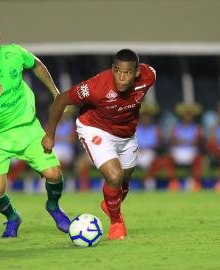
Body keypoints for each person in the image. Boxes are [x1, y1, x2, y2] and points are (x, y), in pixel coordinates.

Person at [0, 16, 70, 238]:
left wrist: (56, 93)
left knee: (54, 174)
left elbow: (36, 64)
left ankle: (54, 207)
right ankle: (12, 217)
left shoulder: (14, 53)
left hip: (26, 127)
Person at [43, 49, 156, 240]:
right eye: (117, 71)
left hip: (127, 135)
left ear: (137, 73)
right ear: (112, 69)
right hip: (96, 129)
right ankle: (116, 222)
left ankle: (110, 204)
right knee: (115, 176)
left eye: (127, 72)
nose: (121, 77)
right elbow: (62, 99)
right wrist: (50, 135)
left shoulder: (149, 76)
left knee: (124, 182)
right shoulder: (97, 87)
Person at [170, 103, 204, 192]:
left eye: (189, 115)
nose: (188, 117)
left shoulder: (196, 128)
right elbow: (173, 141)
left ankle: (195, 182)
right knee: (167, 159)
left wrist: (181, 141)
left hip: (191, 151)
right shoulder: (176, 128)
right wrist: (188, 141)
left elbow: (197, 141)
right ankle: (174, 182)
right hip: (178, 151)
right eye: (186, 115)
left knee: (199, 159)